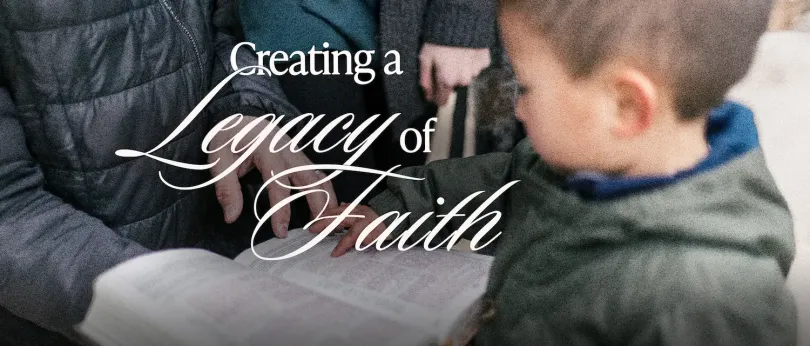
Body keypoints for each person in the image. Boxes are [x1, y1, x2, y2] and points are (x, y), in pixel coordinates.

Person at [311, 0, 797, 344]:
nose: (516, 110)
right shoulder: (580, 159)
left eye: (525, 87)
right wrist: (399, 206)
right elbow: (504, 183)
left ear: (625, 107)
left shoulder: (708, 303)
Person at [0, 1, 335, 344]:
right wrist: (155, 294)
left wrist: (241, 106)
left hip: (217, 270)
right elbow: (9, 210)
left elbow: (216, 31)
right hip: (74, 317)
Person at [237, 0, 496, 206]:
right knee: (337, 218)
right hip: (293, 24)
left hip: (405, 25)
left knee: (395, 209)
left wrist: (461, 16)